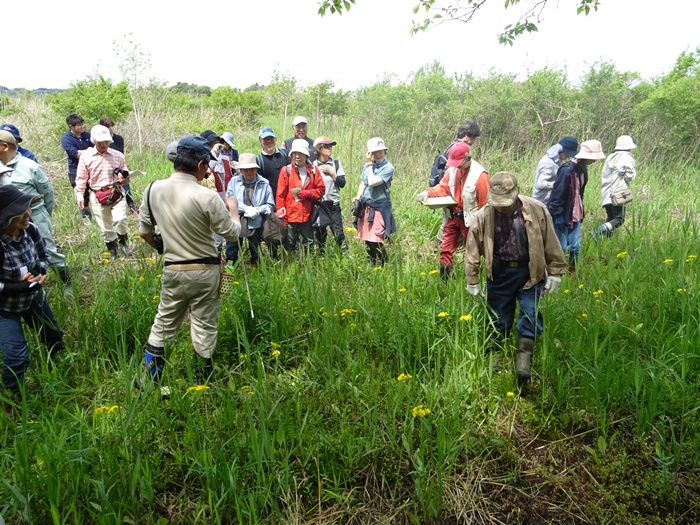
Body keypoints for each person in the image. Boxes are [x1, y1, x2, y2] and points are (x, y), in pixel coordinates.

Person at [138, 135, 241, 383]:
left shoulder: (153, 189)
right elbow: (232, 233)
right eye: (207, 165)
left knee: (163, 324)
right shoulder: (207, 196)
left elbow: (144, 232)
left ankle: (149, 381)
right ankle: (203, 380)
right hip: (205, 270)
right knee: (204, 325)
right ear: (200, 165)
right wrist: (234, 211)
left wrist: (162, 247)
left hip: (173, 269)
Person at [465, 172, 566, 386]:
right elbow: (472, 248)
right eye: (497, 203)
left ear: (516, 193)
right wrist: (472, 279)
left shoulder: (537, 210)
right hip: (500, 273)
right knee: (497, 318)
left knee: (530, 314)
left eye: (506, 203)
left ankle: (524, 361)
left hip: (530, 272)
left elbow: (550, 241)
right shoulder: (483, 215)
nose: (502, 207)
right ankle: (495, 357)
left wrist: (556, 270)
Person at [0, 185, 64, 396]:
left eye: (28, 208)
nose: (28, 214)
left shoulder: (30, 229)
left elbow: (44, 255)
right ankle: (12, 398)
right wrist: (14, 287)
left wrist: (38, 271)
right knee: (16, 356)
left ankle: (60, 372)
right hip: (4, 308)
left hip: (32, 298)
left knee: (53, 336)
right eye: (21, 211)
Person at [0, 131, 70, 286]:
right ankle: (26, 282)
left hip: (35, 214)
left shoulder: (30, 166)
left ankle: (66, 282)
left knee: (47, 249)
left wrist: (44, 216)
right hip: (8, 220)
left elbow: (48, 194)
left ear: (4, 146)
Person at [416, 142, 489, 280]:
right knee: (445, 249)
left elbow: (484, 205)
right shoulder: (452, 170)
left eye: (459, 163)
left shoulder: (480, 175)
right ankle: (445, 281)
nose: (457, 166)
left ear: (468, 158)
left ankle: (472, 281)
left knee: (472, 252)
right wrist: (427, 193)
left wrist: (482, 226)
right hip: (452, 217)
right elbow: (443, 187)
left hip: (470, 220)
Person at [75, 125, 134, 262]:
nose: (104, 145)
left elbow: (126, 176)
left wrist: (124, 179)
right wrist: (79, 194)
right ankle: (112, 250)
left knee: (120, 220)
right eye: (100, 142)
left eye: (106, 142)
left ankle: (124, 244)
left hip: (116, 192)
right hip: (97, 195)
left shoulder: (118, 155)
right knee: (105, 226)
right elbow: (81, 178)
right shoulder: (86, 157)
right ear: (94, 141)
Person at [548, 140, 606, 272]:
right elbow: (557, 194)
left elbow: (580, 192)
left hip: (576, 212)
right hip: (562, 213)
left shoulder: (582, 170)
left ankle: (572, 274)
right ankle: (555, 273)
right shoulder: (566, 170)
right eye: (593, 158)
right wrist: (556, 215)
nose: (594, 161)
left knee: (575, 246)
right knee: (561, 247)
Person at [225, 153, 275, 267]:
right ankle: (229, 275)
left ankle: (256, 276)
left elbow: (270, 205)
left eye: (251, 169)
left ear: (256, 169)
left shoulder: (264, 183)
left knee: (256, 251)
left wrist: (259, 209)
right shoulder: (234, 182)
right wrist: (245, 208)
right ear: (240, 170)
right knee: (231, 252)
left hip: (255, 221)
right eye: (245, 169)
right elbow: (229, 200)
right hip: (236, 220)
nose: (249, 172)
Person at [353, 137, 397, 265]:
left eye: (380, 151)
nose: (378, 154)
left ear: (384, 151)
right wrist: (358, 196)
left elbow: (372, 182)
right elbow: (364, 182)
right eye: (374, 152)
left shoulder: (388, 168)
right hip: (367, 204)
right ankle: (372, 263)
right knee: (367, 238)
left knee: (376, 238)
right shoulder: (368, 166)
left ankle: (384, 263)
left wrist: (369, 165)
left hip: (380, 207)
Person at [276, 139, 325, 253]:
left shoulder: (313, 170)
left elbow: (321, 190)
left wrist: (309, 193)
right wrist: (281, 212)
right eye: (295, 153)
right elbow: (280, 194)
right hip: (290, 214)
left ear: (306, 155)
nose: (297, 156)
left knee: (309, 242)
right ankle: (289, 266)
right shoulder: (286, 170)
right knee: (289, 242)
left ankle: (309, 265)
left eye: (300, 153)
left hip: (307, 214)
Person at [591, 135, 637, 241]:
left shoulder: (611, 157)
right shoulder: (627, 157)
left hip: (606, 192)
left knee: (611, 218)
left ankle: (607, 241)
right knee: (619, 219)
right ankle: (598, 231)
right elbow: (629, 176)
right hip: (618, 193)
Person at [312, 136, 347, 252]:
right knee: (320, 236)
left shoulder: (336, 164)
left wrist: (332, 173)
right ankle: (321, 260)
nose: (330, 148)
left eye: (330, 146)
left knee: (339, 234)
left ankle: (344, 257)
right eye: (326, 146)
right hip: (319, 205)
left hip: (334, 205)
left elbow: (342, 183)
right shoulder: (313, 166)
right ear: (319, 149)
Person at [99, 117, 138, 214]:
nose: (111, 128)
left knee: (125, 183)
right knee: (110, 188)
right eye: (108, 127)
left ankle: (131, 205)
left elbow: (120, 153)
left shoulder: (119, 138)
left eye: (112, 126)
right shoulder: (101, 141)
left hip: (118, 164)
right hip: (107, 166)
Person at [61, 113, 93, 223]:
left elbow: (97, 149)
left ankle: (98, 215)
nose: (82, 127)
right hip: (75, 170)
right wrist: (89, 151)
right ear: (71, 126)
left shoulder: (88, 135)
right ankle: (86, 218)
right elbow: (74, 153)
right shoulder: (66, 138)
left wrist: (85, 152)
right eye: (79, 125)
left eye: (82, 124)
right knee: (82, 195)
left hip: (91, 169)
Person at [429, 121, 481, 187]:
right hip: (450, 186)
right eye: (473, 138)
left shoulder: (452, 145)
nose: (474, 141)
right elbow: (450, 170)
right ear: (466, 136)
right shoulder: (460, 148)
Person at [532, 136, 578, 205]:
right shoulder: (548, 163)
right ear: (561, 150)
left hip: (550, 200)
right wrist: (560, 184)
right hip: (541, 203)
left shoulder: (558, 160)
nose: (568, 157)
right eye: (567, 154)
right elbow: (540, 184)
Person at [256, 127, 289, 199]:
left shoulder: (285, 154)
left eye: (271, 138)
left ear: (275, 139)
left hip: (287, 198)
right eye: (265, 139)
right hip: (270, 199)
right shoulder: (258, 160)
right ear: (260, 141)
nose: (269, 141)